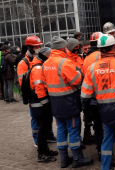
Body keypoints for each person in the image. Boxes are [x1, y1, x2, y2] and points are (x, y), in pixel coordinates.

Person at [81, 33, 115, 170]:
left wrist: (87, 116)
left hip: (104, 111)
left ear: (99, 49)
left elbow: (85, 95)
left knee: (106, 140)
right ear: (114, 47)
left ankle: (105, 167)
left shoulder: (92, 68)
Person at [42, 36, 93, 168]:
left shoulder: (46, 63)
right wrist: (78, 72)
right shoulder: (65, 62)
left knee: (61, 129)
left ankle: (64, 158)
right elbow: (76, 80)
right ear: (63, 48)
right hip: (69, 101)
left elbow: (44, 83)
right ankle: (77, 158)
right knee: (74, 130)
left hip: (55, 102)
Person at [25, 47, 59, 162]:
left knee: (43, 128)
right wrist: (46, 104)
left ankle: (45, 150)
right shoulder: (38, 68)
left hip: (38, 103)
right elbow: (39, 88)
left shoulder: (38, 66)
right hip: (39, 104)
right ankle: (42, 154)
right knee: (42, 129)